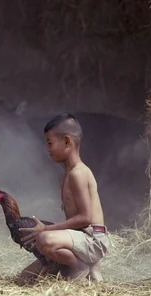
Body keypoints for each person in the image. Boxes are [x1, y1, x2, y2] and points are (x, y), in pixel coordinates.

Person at [19, 113, 110, 283]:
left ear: (67, 141)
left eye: (50, 143)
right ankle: (82, 267)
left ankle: (80, 267)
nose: (47, 149)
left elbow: (85, 218)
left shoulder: (78, 173)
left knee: (44, 240)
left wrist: (47, 230)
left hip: (92, 240)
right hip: (79, 238)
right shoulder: (67, 175)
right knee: (26, 277)